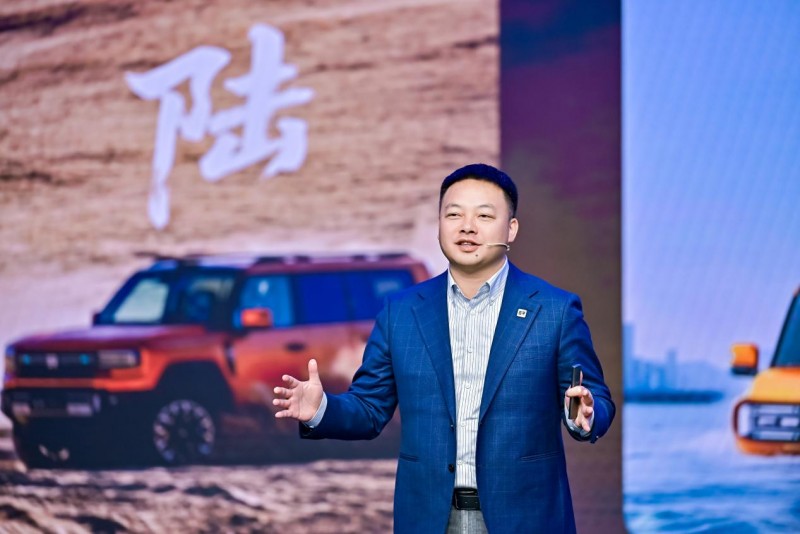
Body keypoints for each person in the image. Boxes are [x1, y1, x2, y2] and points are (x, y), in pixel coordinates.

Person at [272, 163, 615, 533]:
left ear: (511, 229)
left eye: (484, 216)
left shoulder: (554, 310)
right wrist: (320, 409)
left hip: (526, 518)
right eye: (454, 214)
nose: (467, 227)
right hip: (429, 518)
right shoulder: (401, 311)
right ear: (439, 224)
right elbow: (370, 409)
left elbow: (595, 398)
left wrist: (584, 416)